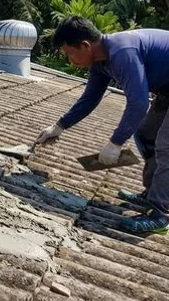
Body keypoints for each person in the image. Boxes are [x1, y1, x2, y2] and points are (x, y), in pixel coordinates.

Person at [35, 16, 169, 234]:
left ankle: (161, 214)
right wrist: (59, 126)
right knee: (146, 134)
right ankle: (152, 193)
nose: (70, 61)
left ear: (85, 45)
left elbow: (139, 103)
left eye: (70, 54)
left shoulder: (122, 51)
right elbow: (90, 98)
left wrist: (115, 143)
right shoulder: (100, 63)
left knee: (166, 146)